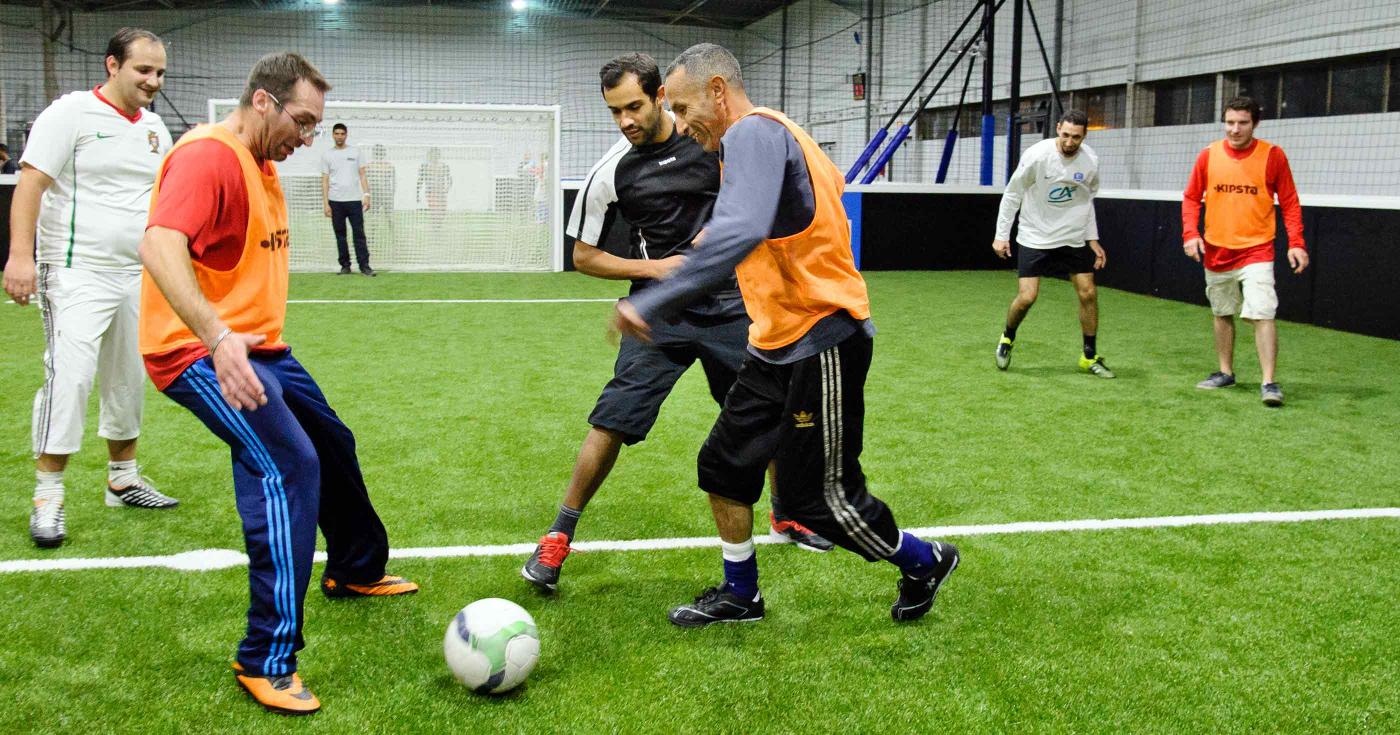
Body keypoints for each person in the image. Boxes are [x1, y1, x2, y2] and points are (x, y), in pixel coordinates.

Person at [614, 43, 960, 628]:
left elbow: (744, 229)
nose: (676, 120)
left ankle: (926, 559)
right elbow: (757, 227)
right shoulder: (757, 142)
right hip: (773, 343)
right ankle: (740, 594)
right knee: (723, 466)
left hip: (821, 339)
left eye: (682, 105)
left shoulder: (752, 132)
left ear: (719, 91)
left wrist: (657, 299)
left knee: (819, 505)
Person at [138, 52, 417, 716]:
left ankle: (354, 567)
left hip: (261, 349)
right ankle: (265, 655)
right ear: (264, 102)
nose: (308, 138)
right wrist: (215, 337)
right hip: (195, 352)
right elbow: (157, 245)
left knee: (332, 441)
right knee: (288, 465)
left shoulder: (261, 164)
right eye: (304, 121)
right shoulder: (210, 157)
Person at [521, 53, 832, 594]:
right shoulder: (611, 171)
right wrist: (654, 269)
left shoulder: (713, 141)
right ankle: (558, 536)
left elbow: (753, 207)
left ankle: (786, 512)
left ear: (661, 96)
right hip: (657, 314)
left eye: (634, 107)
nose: (625, 121)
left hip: (733, 308)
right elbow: (584, 257)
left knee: (771, 411)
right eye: (615, 111)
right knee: (611, 421)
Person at [3, 27, 179, 549]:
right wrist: (19, 257)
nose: (153, 81)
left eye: (160, 72)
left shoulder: (154, 129)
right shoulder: (70, 113)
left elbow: (161, 201)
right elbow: (30, 183)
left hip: (135, 274)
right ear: (112, 66)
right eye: (143, 70)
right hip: (75, 270)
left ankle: (123, 479)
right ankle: (48, 492)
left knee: (127, 376)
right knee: (71, 376)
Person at [1182, 96, 1307, 407]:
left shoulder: (1272, 155)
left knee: (1263, 313)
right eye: (1230, 123)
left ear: (1255, 124)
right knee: (1222, 311)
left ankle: (1269, 382)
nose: (1235, 129)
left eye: (1242, 123)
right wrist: (1190, 234)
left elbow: (1289, 202)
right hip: (1217, 249)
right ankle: (1225, 372)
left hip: (1257, 249)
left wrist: (1296, 242)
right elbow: (1191, 198)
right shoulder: (1208, 155)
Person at [992, 109, 1112, 378]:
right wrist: (1002, 234)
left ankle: (1089, 356)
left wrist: (1093, 239)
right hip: (1035, 235)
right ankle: (1007, 338)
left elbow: (1086, 201)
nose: (1070, 142)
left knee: (1088, 293)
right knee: (1027, 297)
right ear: (1058, 128)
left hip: (1072, 237)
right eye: (1066, 135)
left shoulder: (1090, 161)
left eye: (1076, 138)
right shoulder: (1038, 156)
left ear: (1084, 136)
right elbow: (1013, 194)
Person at [321, 122, 374, 276]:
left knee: (359, 233)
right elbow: (325, 180)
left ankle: (364, 266)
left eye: (342, 134)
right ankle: (345, 266)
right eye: (336, 133)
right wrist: (326, 204)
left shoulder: (356, 152)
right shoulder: (327, 155)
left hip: (354, 201)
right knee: (340, 235)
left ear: (346, 135)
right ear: (332, 135)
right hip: (335, 201)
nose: (339, 136)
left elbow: (363, 175)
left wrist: (366, 195)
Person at [363, 143, 395, 241]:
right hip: (376, 195)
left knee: (388, 217)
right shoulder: (370, 166)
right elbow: (365, 180)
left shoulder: (389, 166)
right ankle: (372, 237)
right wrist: (367, 194)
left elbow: (393, 182)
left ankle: (392, 236)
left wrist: (391, 193)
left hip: (384, 194)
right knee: (374, 217)